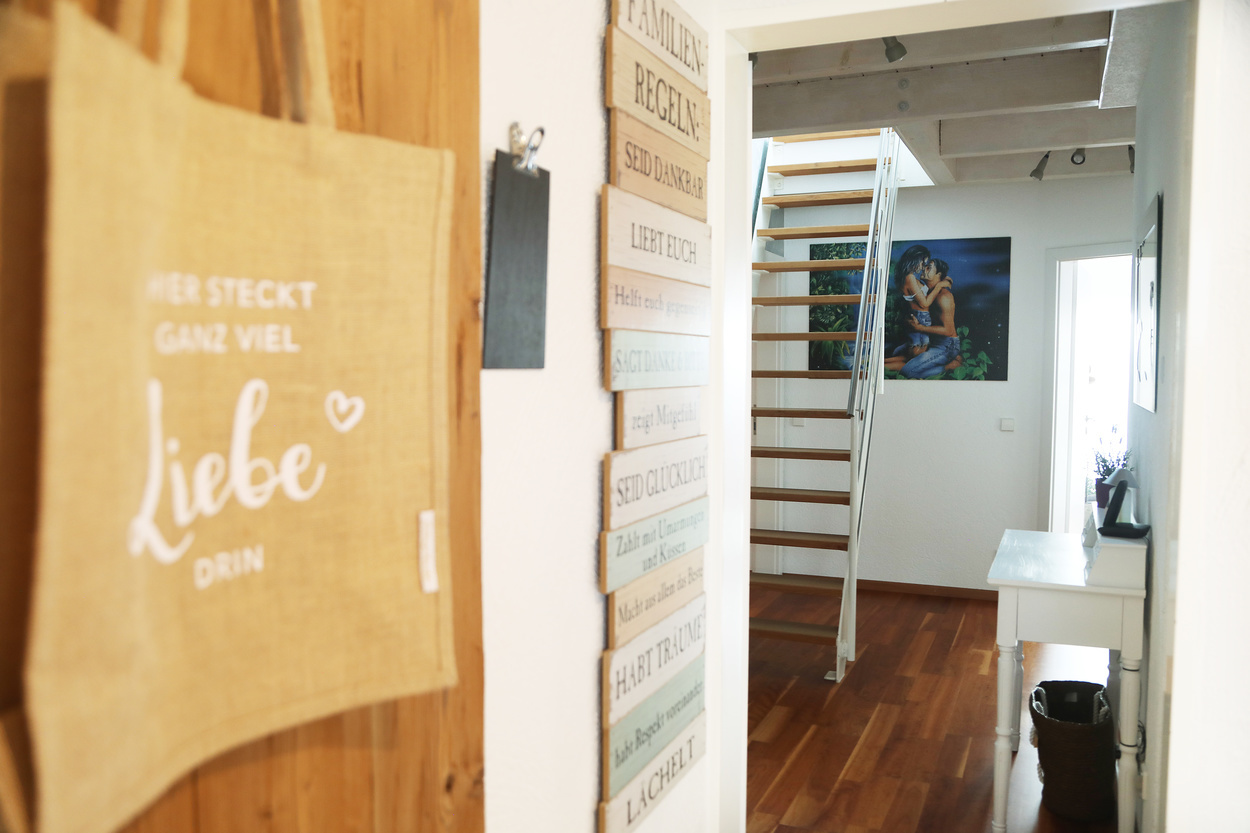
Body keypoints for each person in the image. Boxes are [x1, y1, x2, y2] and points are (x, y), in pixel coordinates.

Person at [900, 258, 962, 379]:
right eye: (925, 266)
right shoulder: (928, 294)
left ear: (938, 274)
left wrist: (919, 328)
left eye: (929, 267)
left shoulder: (944, 297)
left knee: (908, 372)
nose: (924, 268)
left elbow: (948, 330)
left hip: (946, 346)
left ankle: (951, 366)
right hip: (932, 342)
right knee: (899, 354)